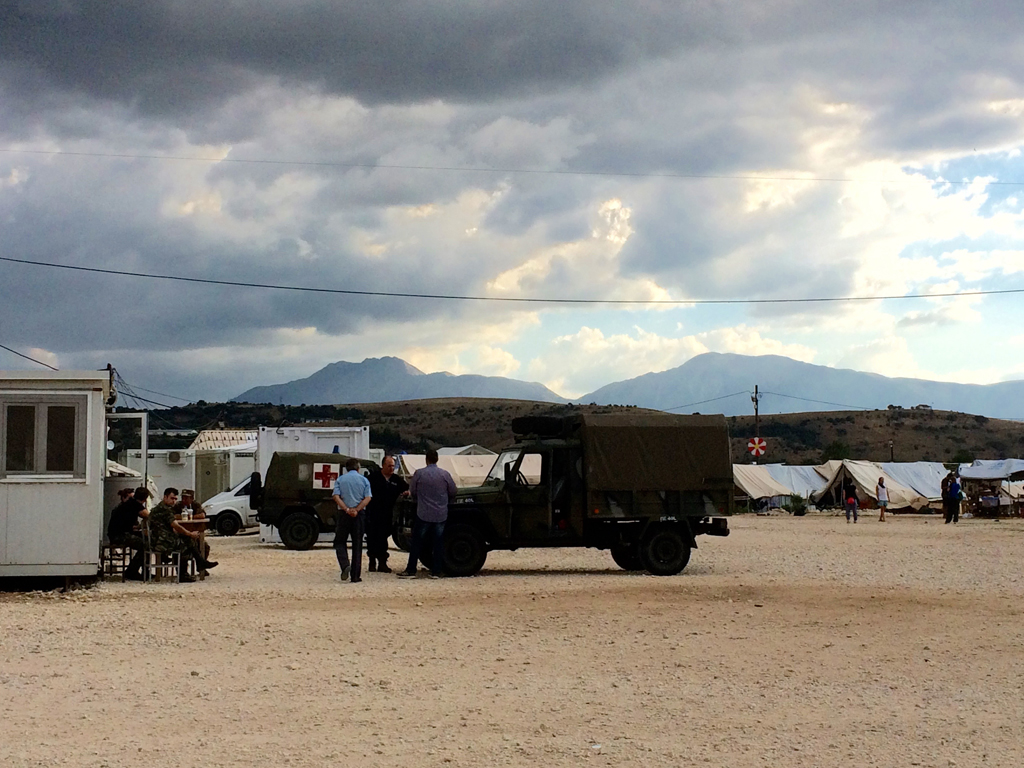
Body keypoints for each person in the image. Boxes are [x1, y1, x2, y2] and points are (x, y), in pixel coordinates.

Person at [398, 449, 456, 579]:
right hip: (441, 513)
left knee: (417, 542)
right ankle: (436, 571)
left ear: (426, 459)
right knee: (438, 542)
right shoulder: (445, 474)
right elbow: (453, 491)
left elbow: (413, 491)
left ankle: (411, 570)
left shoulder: (419, 474)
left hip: (423, 512)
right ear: (437, 459)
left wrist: (418, 500)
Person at [148, 487, 218, 582]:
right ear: (165, 497)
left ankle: (199, 563)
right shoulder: (165, 509)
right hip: (162, 541)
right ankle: (184, 573)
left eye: (175, 499)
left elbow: (202, 515)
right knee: (186, 543)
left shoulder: (159, 508)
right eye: (172, 498)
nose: (174, 501)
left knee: (188, 540)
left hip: (159, 539)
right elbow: (176, 525)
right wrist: (189, 533)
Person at [365, 455, 409, 573]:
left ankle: (382, 563)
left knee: (383, 538)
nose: (391, 468)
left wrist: (406, 493)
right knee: (372, 538)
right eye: (389, 466)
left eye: (393, 466)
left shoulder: (396, 480)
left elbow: (407, 489)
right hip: (373, 513)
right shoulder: (373, 478)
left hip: (389, 515)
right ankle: (372, 561)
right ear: (383, 465)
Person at [332, 458, 372, 583]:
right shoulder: (364, 480)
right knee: (357, 544)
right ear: (358, 468)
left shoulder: (340, 479)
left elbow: (335, 496)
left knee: (339, 542)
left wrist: (346, 509)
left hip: (344, 514)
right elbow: (368, 498)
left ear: (346, 468)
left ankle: (345, 564)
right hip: (359, 515)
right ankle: (355, 576)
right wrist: (357, 509)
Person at [107, 487, 152, 581]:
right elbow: (148, 516)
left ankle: (146, 571)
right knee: (146, 545)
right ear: (144, 499)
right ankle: (132, 571)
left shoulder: (130, 503)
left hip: (117, 533)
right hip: (119, 536)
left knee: (148, 540)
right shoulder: (135, 505)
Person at [174, 489, 212, 562]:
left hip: (195, 531)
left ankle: (202, 567)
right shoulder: (178, 505)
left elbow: (202, 515)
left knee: (205, 546)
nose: (184, 500)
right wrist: (185, 517)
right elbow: (174, 516)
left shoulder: (196, 505)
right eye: (183, 498)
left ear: (192, 498)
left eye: (186, 498)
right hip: (181, 533)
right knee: (183, 548)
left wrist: (190, 517)